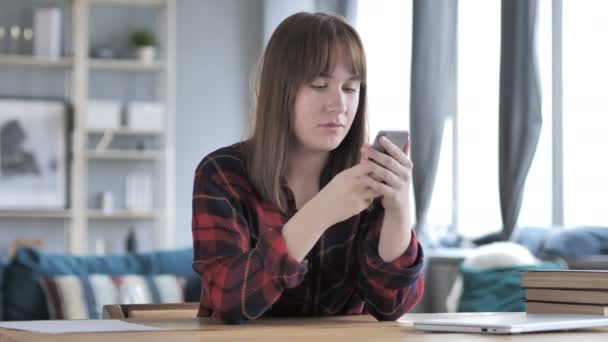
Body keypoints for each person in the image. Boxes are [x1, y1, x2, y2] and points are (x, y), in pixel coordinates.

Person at [191, 12, 423, 324]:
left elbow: (392, 306)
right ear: (281, 90)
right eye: (319, 84)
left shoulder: (368, 174)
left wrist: (399, 210)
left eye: (350, 88)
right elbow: (229, 301)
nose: (338, 105)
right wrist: (321, 212)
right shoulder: (222, 175)